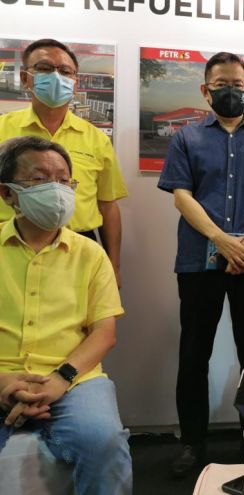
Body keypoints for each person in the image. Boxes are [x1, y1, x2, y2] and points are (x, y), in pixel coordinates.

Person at [157, 51, 244, 476]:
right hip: (199, 261)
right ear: (206, 89)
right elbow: (182, 195)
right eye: (221, 84)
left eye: (237, 84)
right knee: (193, 353)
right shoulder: (186, 138)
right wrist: (221, 240)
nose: (230, 90)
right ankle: (193, 443)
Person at [0, 136, 131, 494]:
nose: (56, 191)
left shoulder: (91, 254)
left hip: (75, 377)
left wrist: (61, 378)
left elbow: (104, 333)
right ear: (7, 193)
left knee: (103, 441)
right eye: (39, 180)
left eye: (63, 181)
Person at [0, 38, 128, 285]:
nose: (56, 77)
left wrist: (114, 264)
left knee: (81, 320)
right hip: (11, 245)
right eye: (45, 69)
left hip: (80, 246)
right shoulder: (3, 129)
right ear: (26, 79)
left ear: (75, 82)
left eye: (65, 71)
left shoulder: (96, 139)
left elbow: (108, 206)